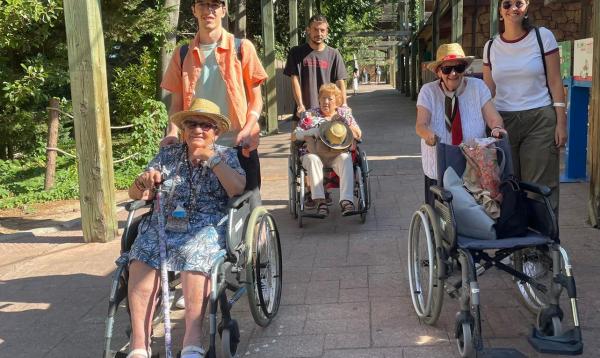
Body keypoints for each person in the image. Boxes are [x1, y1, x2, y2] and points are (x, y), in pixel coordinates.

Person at [126, 99, 246, 358]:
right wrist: (143, 181)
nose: (198, 130)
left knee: (195, 255)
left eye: (206, 125)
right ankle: (139, 346)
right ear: (183, 129)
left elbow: (237, 189)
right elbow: (136, 192)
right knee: (140, 259)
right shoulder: (168, 155)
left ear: (217, 132)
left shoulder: (227, 155)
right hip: (163, 224)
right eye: (192, 124)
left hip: (206, 225)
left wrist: (211, 159)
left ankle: (191, 343)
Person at [160, 0, 267, 210]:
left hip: (238, 144)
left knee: (249, 208)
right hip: (197, 145)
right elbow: (177, 105)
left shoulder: (242, 48)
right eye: (202, 4)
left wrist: (249, 127)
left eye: (214, 5)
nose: (208, 11)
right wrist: (172, 132)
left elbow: (257, 99)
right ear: (193, 10)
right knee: (198, 208)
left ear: (223, 10)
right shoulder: (181, 54)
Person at [483, 0, 566, 214]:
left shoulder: (542, 37)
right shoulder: (491, 46)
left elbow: (556, 81)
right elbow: (487, 93)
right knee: (509, 185)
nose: (513, 8)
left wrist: (561, 123)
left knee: (540, 187)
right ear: (500, 11)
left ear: (527, 6)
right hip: (503, 122)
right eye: (507, 4)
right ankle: (518, 242)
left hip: (539, 119)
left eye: (518, 3)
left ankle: (544, 242)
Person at [416, 43, 507, 206]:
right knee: (442, 216)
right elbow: (421, 124)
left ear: (464, 69)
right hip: (440, 162)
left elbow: (493, 117)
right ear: (438, 71)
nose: (453, 73)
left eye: (458, 68)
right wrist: (429, 135)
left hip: (474, 163)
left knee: (476, 214)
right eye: (446, 69)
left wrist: (497, 128)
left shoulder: (478, 87)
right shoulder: (428, 91)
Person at [293, 83, 362, 217]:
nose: (325, 102)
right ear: (319, 99)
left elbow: (358, 134)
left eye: (330, 99)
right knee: (313, 160)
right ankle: (320, 201)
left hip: (336, 155)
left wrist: (345, 124)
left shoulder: (344, 114)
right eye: (323, 98)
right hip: (312, 153)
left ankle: (346, 201)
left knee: (346, 158)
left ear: (337, 101)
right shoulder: (310, 115)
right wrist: (312, 131)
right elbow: (294, 136)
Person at [284, 14, 348, 121]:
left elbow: (340, 82)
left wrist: (344, 104)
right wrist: (300, 105)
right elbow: (295, 80)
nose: (319, 33)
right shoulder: (296, 53)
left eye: (322, 30)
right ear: (308, 30)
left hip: (329, 112)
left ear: (327, 32)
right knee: (297, 137)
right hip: (305, 113)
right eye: (315, 29)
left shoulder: (334, 54)